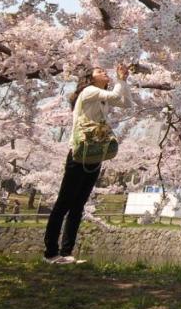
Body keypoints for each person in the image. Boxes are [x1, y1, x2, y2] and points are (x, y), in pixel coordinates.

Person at [44, 63, 131, 264]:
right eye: (100, 71)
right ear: (90, 78)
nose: (104, 72)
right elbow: (118, 97)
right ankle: (50, 252)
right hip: (78, 154)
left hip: (94, 153)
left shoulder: (101, 98)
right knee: (64, 203)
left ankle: (66, 252)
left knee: (78, 205)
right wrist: (119, 80)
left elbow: (126, 103)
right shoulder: (89, 91)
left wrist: (123, 81)